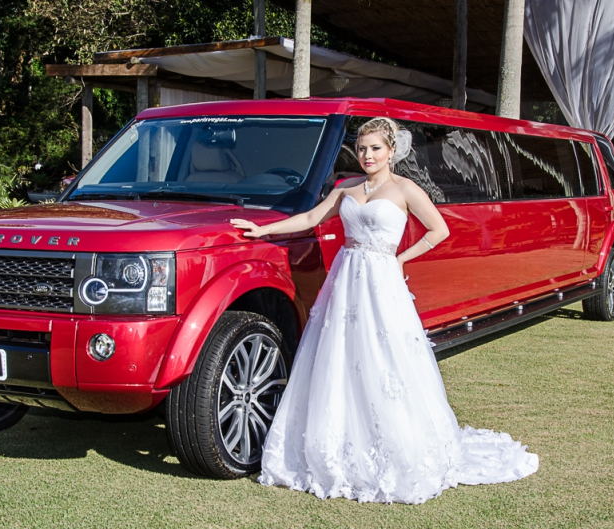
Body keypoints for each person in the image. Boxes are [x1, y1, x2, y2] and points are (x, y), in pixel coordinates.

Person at [229, 117, 539, 504]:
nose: (367, 155)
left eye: (375, 148)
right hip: (346, 281)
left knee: (385, 358)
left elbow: (438, 230)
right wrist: (263, 230)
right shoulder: (347, 189)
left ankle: (395, 445)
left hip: (381, 282)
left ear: (391, 151)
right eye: (361, 149)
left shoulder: (405, 188)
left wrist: (401, 259)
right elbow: (310, 218)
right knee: (339, 356)